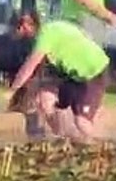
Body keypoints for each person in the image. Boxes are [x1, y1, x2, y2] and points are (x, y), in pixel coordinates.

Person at [6, 12, 110, 140]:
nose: (16, 33)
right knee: (44, 100)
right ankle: (61, 137)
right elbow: (38, 75)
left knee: (81, 122)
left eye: (17, 28)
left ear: (27, 26)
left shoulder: (46, 36)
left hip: (93, 72)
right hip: (72, 75)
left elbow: (30, 66)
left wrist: (12, 90)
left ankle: (98, 147)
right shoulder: (54, 28)